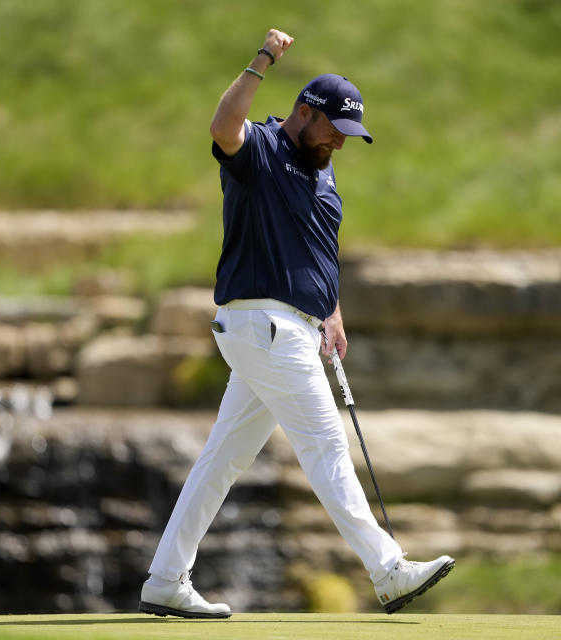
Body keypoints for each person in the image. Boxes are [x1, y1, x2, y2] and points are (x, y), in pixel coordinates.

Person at [139, 28, 454, 619]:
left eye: (349, 135)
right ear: (303, 112)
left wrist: (330, 308)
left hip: (289, 330)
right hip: (264, 325)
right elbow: (221, 129)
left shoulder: (324, 170)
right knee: (327, 446)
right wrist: (262, 62)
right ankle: (388, 572)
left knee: (220, 462)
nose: (340, 141)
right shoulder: (259, 150)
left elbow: (317, 250)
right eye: (333, 128)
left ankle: (165, 579)